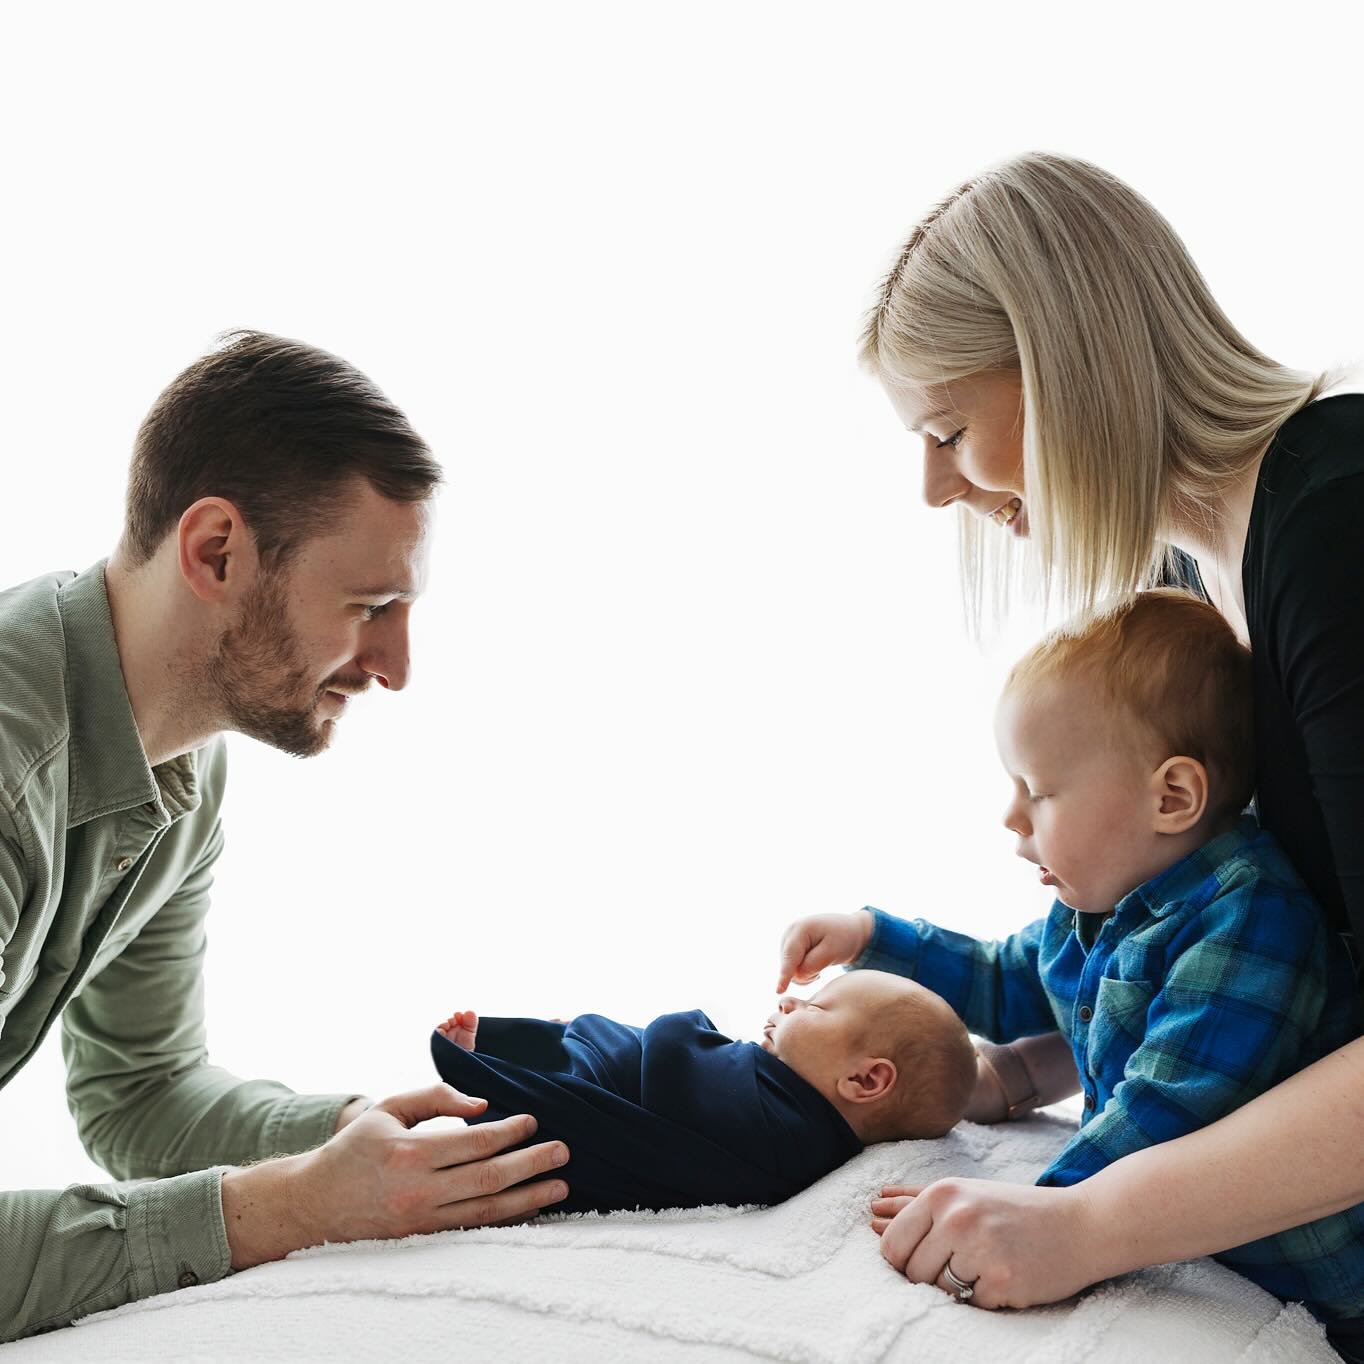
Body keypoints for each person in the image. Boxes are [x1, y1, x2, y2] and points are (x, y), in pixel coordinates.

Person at [845, 150, 1364, 1360]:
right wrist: (1020, 1070)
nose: (933, 487)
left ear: (1061, 364)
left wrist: (1081, 1221)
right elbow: (1213, 948)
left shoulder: (1336, 519)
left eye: (947, 428)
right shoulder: (1195, 582)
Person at [0, 332, 572, 1343]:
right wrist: (294, 1207)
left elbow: (140, 1092)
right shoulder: (13, 771)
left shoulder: (179, 762)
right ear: (215, 550)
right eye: (368, 606)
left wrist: (352, 1135)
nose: (395, 666)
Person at [779, 589, 1364, 1324]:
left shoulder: (1251, 922)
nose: (1011, 817)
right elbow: (1003, 978)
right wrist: (874, 936)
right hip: (1208, 1247)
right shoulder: (1095, 902)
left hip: (1321, 1287)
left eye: (1039, 791)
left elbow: (1163, 1111)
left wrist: (1035, 1209)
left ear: (1173, 796)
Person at [428, 968, 977, 1214]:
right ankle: (542, 1056)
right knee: (602, 1052)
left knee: (593, 1073)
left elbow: (671, 1062)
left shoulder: (785, 1130)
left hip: (600, 1116)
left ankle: (517, 1066)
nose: (790, 1003)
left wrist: (674, 1034)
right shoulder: (787, 1111)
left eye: (818, 1007)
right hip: (627, 1103)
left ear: (865, 1081)